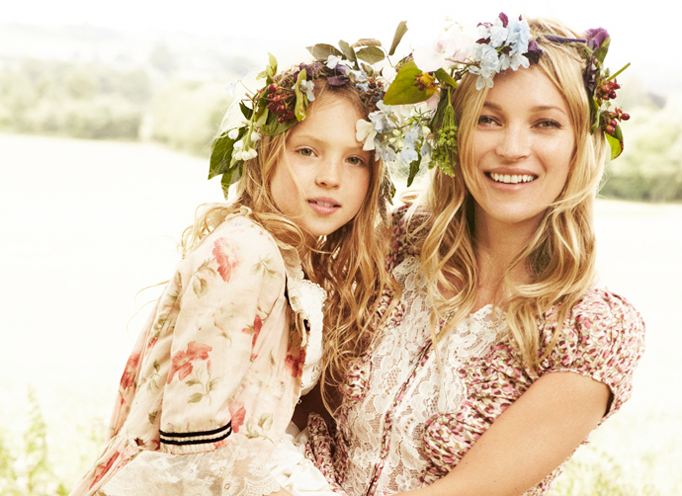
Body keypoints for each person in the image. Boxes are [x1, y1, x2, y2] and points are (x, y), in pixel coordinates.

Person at [305, 15, 646, 496]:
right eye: (489, 118)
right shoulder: (394, 243)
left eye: (545, 123)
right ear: (457, 130)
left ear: (580, 143)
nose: (512, 148)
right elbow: (295, 403)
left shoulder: (591, 331)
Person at [68, 48, 398, 496]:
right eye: (307, 151)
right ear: (266, 154)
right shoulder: (246, 253)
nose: (330, 177)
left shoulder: (287, 257)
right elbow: (194, 443)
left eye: (354, 159)